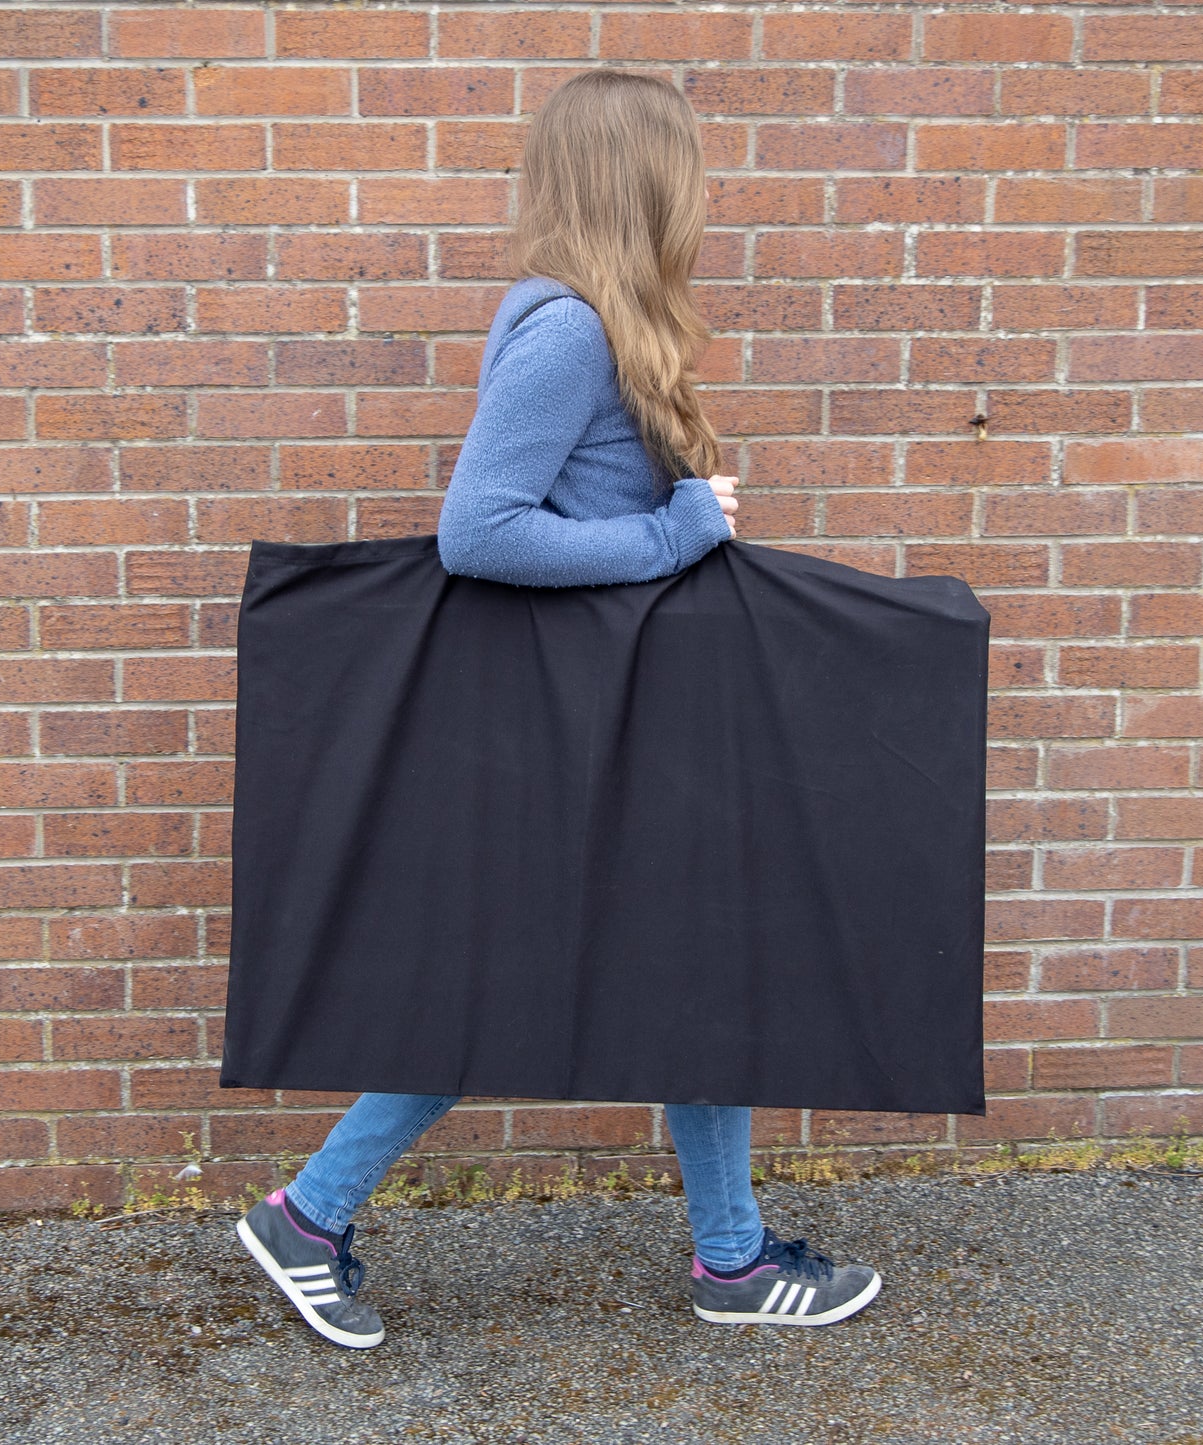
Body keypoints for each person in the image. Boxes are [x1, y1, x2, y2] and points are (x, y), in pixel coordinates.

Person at [235, 68, 882, 1350]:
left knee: (685, 968)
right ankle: (314, 1217)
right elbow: (478, 531)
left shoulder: (600, 327)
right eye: (686, 170)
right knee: (550, 971)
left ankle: (727, 1254)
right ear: (639, 183)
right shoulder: (570, 333)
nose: (702, 192)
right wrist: (673, 528)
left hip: (614, 719)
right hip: (569, 726)